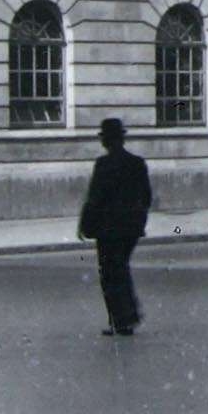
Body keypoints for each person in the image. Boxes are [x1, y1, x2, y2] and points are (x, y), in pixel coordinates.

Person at [77, 118, 153, 336]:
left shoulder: (103, 164)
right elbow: (146, 196)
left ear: (106, 140)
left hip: (108, 229)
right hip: (130, 228)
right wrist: (138, 220)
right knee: (120, 269)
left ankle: (119, 319)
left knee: (110, 273)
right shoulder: (137, 163)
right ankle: (126, 318)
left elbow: (94, 198)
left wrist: (84, 225)